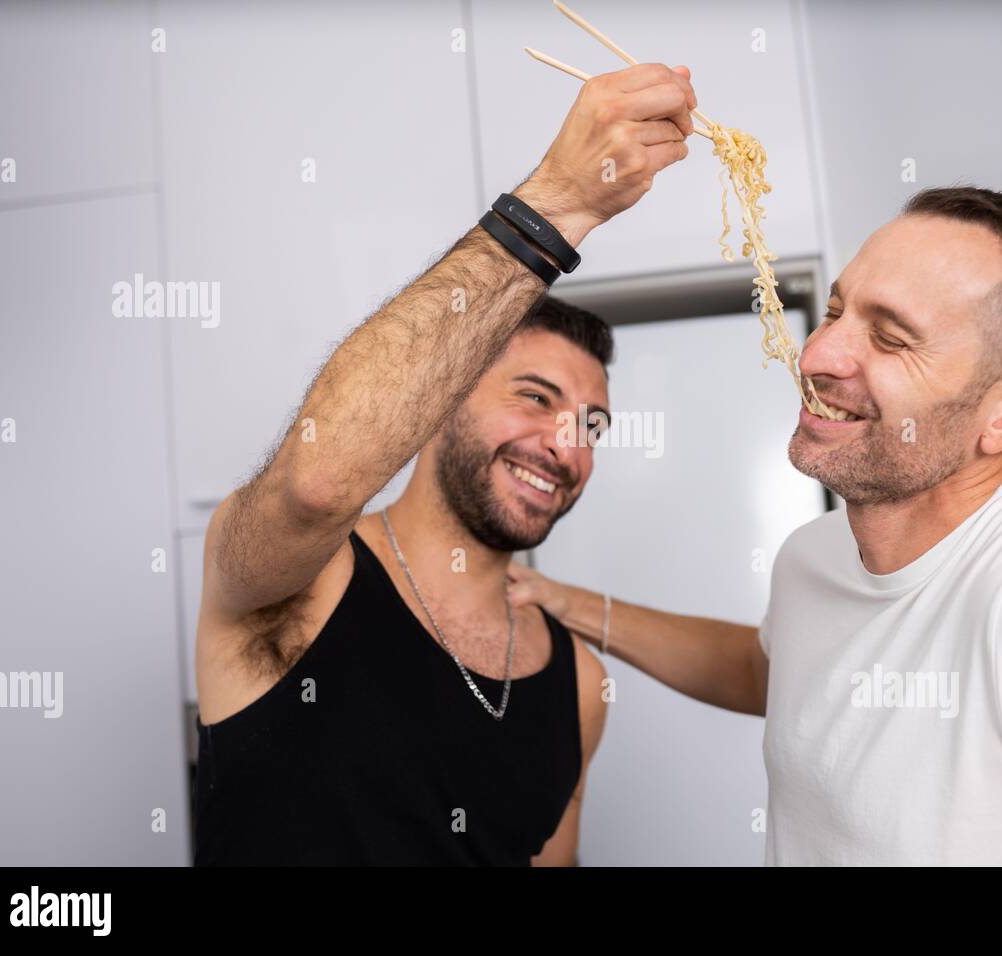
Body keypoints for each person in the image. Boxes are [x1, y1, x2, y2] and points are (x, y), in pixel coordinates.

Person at [508, 185, 1002, 865]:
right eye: (837, 311)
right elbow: (771, 671)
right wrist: (566, 603)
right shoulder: (815, 557)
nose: (817, 354)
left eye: (892, 338)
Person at [192, 62, 699, 864]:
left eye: (591, 424)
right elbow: (315, 484)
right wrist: (558, 204)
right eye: (535, 398)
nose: (567, 445)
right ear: (440, 398)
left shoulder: (579, 685)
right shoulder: (297, 582)